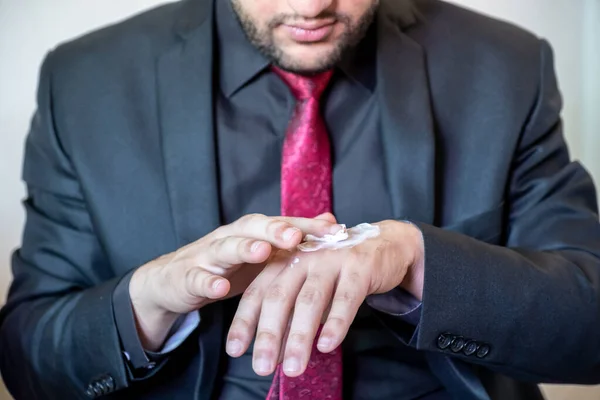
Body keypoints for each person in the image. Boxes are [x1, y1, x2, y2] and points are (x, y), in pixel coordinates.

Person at [1, 0, 600, 398]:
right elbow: (27, 358)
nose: (311, 6)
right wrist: (146, 304)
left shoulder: (508, 68)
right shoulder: (84, 81)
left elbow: (588, 331)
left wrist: (420, 261)